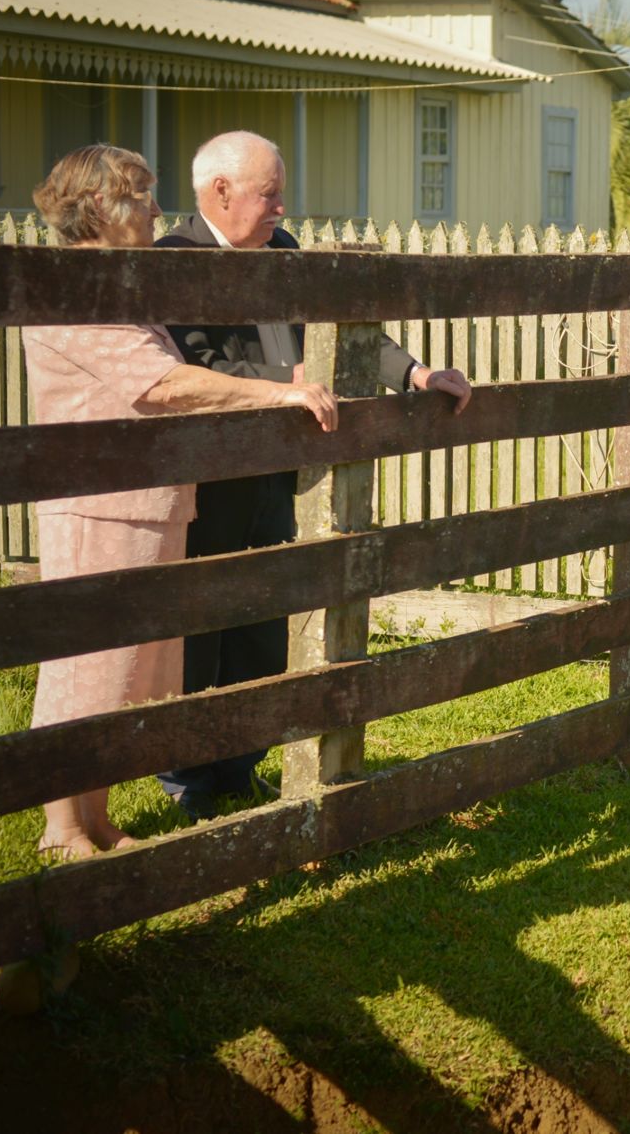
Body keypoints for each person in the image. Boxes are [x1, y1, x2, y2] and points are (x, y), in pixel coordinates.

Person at [22, 144, 337, 861]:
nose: (158, 209)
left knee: (120, 672)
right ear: (98, 207)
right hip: (96, 509)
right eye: (141, 194)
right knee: (83, 672)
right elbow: (162, 384)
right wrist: (279, 392)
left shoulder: (121, 283)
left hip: (144, 507)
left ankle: (94, 819)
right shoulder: (76, 289)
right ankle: (61, 828)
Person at [152, 130, 472, 820]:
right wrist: (287, 382)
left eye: (280, 193)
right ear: (220, 192)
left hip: (277, 474)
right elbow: (193, 370)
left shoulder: (287, 254)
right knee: (202, 630)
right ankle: (190, 782)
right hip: (208, 481)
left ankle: (239, 766)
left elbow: (349, 335)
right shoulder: (174, 261)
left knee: (265, 624)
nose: (281, 207)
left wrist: (418, 373)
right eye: (269, 194)